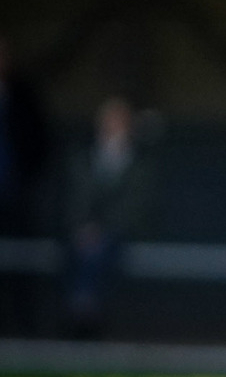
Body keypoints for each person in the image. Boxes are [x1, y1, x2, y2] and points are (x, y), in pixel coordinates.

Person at [64, 97, 151, 337]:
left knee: (98, 251)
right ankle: (84, 311)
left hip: (118, 234)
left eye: (119, 122)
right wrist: (84, 227)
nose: (113, 127)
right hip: (82, 235)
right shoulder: (84, 157)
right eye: (108, 122)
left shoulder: (139, 162)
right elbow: (75, 198)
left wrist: (100, 229)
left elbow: (135, 206)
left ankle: (84, 310)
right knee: (84, 251)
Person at [0, 37, 52, 335]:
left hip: (14, 195)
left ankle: (23, 331)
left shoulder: (23, 95)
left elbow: (39, 143)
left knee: (20, 265)